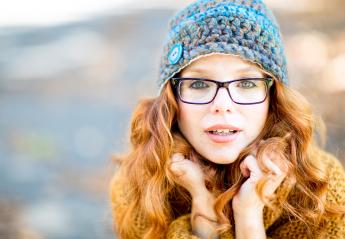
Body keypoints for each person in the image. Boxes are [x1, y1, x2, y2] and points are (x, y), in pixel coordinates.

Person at [109, 0, 345, 238]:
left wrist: (249, 217)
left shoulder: (322, 187)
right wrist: (202, 206)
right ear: (172, 98)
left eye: (247, 83)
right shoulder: (138, 183)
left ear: (273, 98)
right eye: (199, 84)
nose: (222, 105)